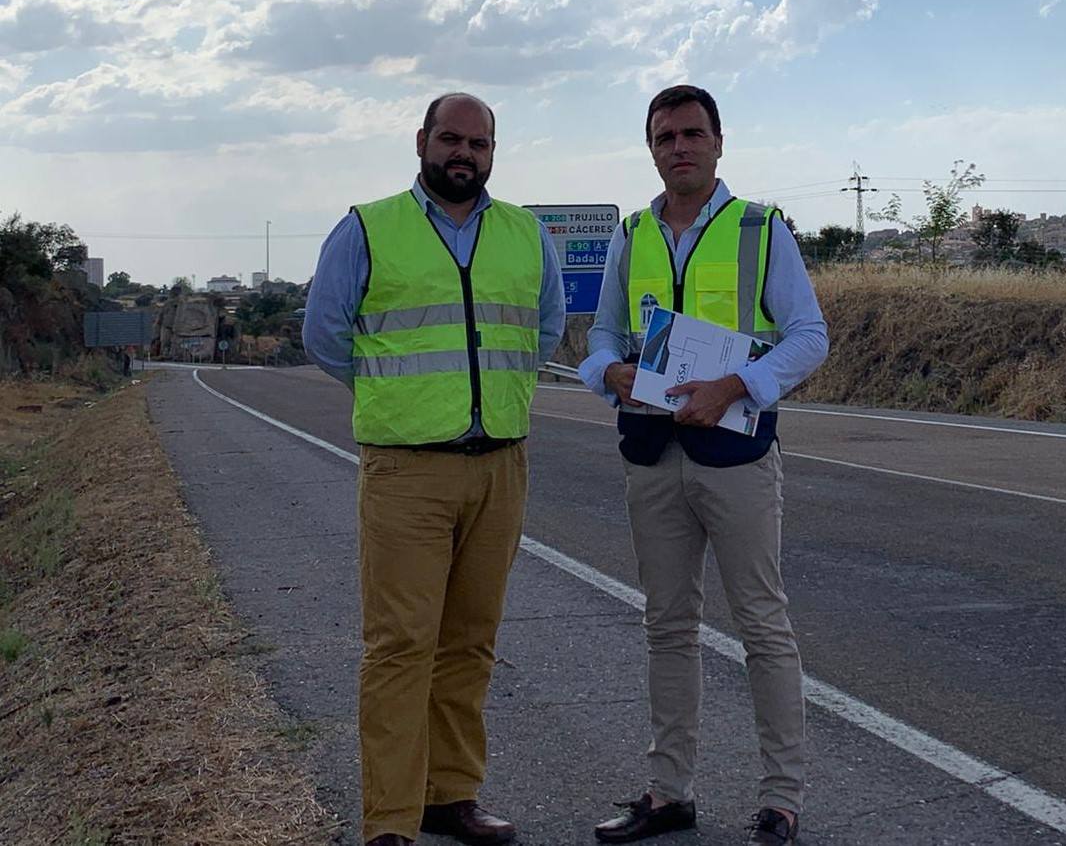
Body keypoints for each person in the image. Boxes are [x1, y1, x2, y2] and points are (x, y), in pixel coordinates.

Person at [303, 92, 565, 846]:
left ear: (493, 151)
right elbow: (326, 334)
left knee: (471, 642)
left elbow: (543, 329)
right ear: (421, 141)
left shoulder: (526, 233)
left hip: (500, 467)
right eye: (451, 139)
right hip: (406, 472)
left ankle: (450, 796)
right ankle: (389, 820)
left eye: (479, 144)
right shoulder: (367, 228)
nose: (465, 154)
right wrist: (396, 396)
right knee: (399, 646)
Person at [580, 85, 828, 846]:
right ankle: (668, 793)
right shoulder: (630, 233)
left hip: (737, 455)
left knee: (762, 625)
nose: (679, 147)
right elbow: (602, 336)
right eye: (665, 137)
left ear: (719, 142)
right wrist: (609, 373)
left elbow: (808, 336)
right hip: (653, 453)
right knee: (667, 626)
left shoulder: (760, 229)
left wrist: (738, 385)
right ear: (650, 149)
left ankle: (781, 801)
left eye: (692, 134)